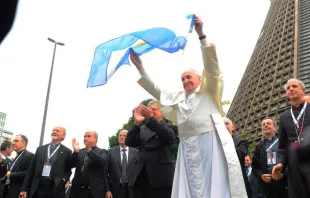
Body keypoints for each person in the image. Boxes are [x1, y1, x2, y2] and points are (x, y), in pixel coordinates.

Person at [129, 15, 247, 198]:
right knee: (190, 190)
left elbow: (213, 67)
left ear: (199, 79)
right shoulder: (179, 99)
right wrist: (140, 67)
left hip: (210, 143)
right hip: (187, 148)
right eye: (182, 79)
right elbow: (157, 91)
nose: (185, 81)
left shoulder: (209, 92)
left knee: (214, 186)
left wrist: (201, 35)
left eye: (189, 77)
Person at [126, 100, 178, 198]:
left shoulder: (170, 126)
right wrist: (136, 123)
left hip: (161, 179)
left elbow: (169, 137)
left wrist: (150, 118)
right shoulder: (141, 129)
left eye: (154, 109)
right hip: (141, 178)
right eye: (149, 109)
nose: (150, 111)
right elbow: (129, 142)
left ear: (162, 113)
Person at [272, 79, 310, 198]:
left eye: (294, 86)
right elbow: (282, 147)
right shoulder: (284, 117)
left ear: (303, 90)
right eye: (288, 88)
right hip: (295, 168)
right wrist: (280, 164)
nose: (291, 89)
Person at [20, 126, 72, 198]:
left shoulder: (67, 152)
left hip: (54, 189)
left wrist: (63, 181)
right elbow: (31, 170)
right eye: (53, 130)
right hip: (37, 187)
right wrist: (24, 189)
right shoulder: (40, 149)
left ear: (63, 136)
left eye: (58, 131)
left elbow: (68, 170)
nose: (54, 132)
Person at [252, 118, 287, 198]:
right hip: (269, 186)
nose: (265, 125)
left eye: (268, 123)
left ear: (275, 128)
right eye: (263, 125)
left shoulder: (284, 142)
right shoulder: (259, 146)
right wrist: (262, 176)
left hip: (285, 183)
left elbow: (292, 161)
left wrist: (283, 174)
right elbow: (255, 167)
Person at [70, 130, 109, 198]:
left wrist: (89, 151)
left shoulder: (102, 151)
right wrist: (75, 152)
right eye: (84, 136)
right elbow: (70, 165)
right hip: (77, 191)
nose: (85, 138)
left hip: (94, 192)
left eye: (89, 136)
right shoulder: (80, 152)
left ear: (96, 139)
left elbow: (103, 162)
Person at [224, 118, 252, 198]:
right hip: (223, 183)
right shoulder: (215, 143)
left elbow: (240, 154)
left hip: (238, 183)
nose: (224, 126)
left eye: (226, 124)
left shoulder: (242, 141)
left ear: (232, 127)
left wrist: (226, 141)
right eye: (222, 125)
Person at [105, 130, 138, 198]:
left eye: (124, 136)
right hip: (116, 190)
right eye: (120, 135)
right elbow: (105, 172)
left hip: (132, 190)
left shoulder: (136, 152)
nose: (121, 137)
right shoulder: (110, 152)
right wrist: (107, 190)